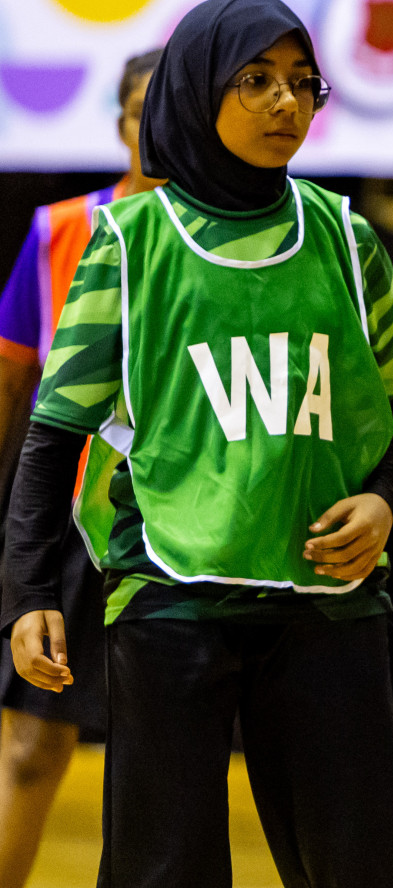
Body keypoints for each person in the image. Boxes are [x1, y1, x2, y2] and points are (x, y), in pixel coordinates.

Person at [0, 0, 393, 888]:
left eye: (304, 84)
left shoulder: (348, 240)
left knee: (363, 870)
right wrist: (26, 587)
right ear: (194, 92)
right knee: (165, 872)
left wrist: (383, 498)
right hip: (171, 600)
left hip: (328, 603)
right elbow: (53, 434)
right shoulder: (126, 242)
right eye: (257, 80)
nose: (286, 103)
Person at [0, 47, 163, 888]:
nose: (157, 128)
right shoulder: (62, 231)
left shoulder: (242, 236)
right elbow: (11, 374)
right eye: (144, 110)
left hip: (183, 525)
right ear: (120, 122)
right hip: (75, 519)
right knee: (31, 747)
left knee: (168, 759)